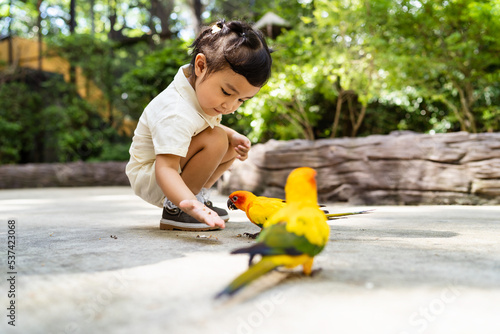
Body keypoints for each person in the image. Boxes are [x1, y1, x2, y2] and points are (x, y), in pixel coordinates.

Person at [125, 20, 273, 232]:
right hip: (153, 175)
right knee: (217, 139)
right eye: (227, 92)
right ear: (201, 66)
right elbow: (165, 167)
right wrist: (188, 204)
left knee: (227, 141)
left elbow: (203, 127)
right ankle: (177, 208)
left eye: (241, 100)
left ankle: (196, 195)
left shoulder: (200, 92)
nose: (230, 105)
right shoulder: (175, 110)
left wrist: (233, 136)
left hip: (167, 170)